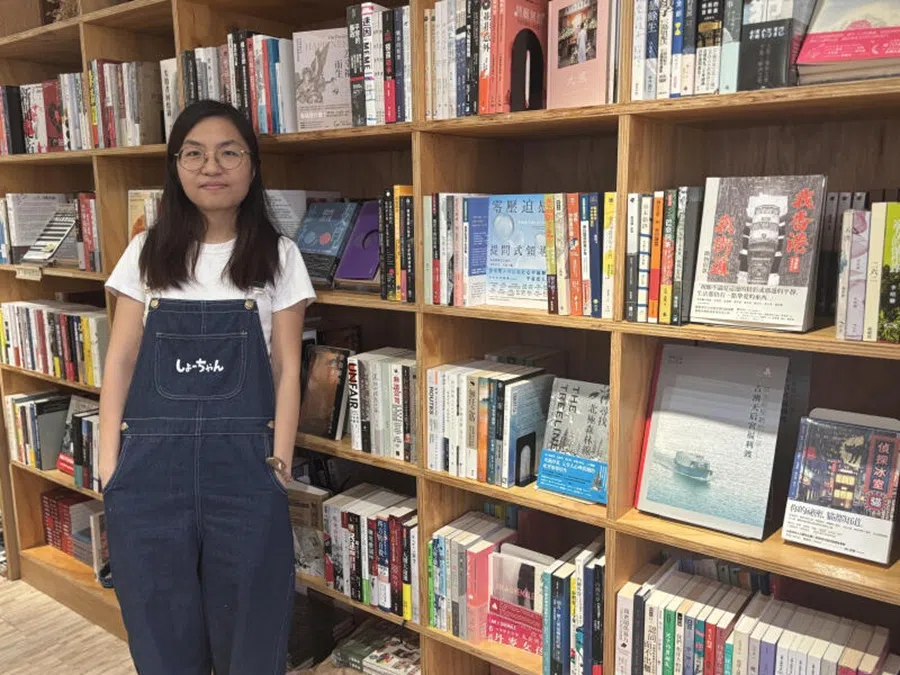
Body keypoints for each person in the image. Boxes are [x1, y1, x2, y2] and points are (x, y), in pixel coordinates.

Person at [99, 99, 316, 675]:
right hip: (146, 474)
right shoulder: (145, 254)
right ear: (176, 167)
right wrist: (107, 465)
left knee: (252, 634)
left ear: (251, 166)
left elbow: (286, 368)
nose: (210, 166)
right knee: (160, 635)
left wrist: (280, 462)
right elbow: (119, 360)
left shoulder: (280, 257)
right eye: (193, 153)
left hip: (245, 471)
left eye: (228, 152)